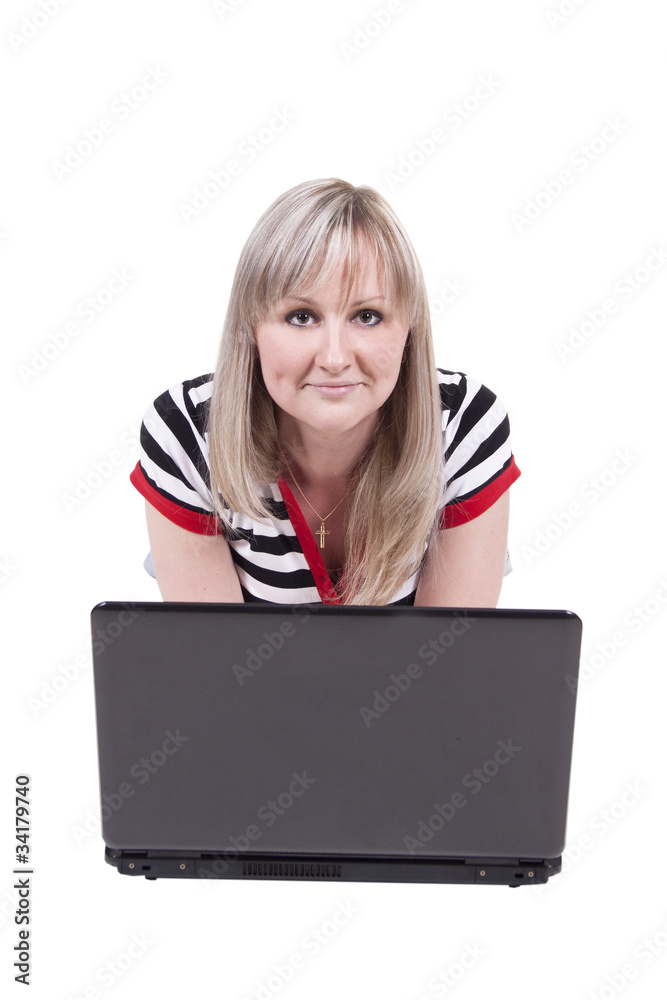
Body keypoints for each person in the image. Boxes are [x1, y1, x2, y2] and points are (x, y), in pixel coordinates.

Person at [129, 178, 521, 607]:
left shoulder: (463, 427)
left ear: (409, 329)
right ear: (250, 328)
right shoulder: (187, 433)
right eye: (301, 316)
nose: (334, 358)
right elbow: (212, 651)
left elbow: (452, 648)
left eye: (367, 316)